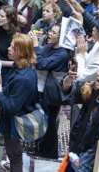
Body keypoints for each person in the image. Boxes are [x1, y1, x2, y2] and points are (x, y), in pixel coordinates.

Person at [0, 33, 38, 172]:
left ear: (22, 52)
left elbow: (12, 106)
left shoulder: (23, 78)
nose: (8, 48)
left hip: (15, 124)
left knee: (14, 154)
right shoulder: (23, 67)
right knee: (14, 153)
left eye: (12, 46)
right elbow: (13, 90)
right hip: (17, 119)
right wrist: (1, 91)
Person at [32, 23, 69, 159]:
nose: (49, 34)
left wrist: (35, 46)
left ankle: (48, 154)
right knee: (40, 122)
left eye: (54, 33)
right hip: (42, 90)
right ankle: (39, 150)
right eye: (50, 31)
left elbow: (41, 63)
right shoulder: (50, 46)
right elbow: (39, 56)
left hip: (51, 94)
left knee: (49, 126)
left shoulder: (62, 54)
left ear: (61, 37)